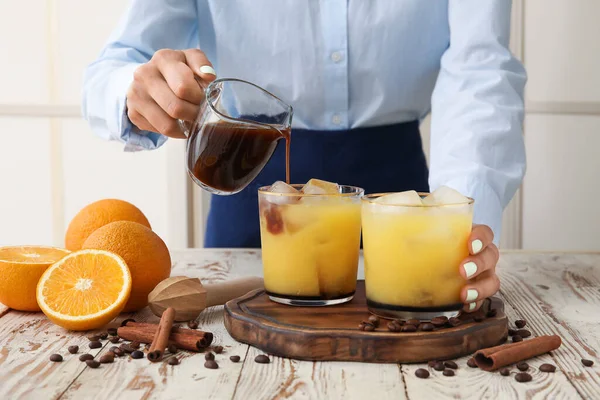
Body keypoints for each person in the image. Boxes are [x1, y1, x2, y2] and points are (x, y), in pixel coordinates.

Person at [82, 0, 525, 313]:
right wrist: (136, 90)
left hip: (401, 207)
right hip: (250, 187)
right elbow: (117, 65)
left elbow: (479, 68)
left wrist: (461, 219)